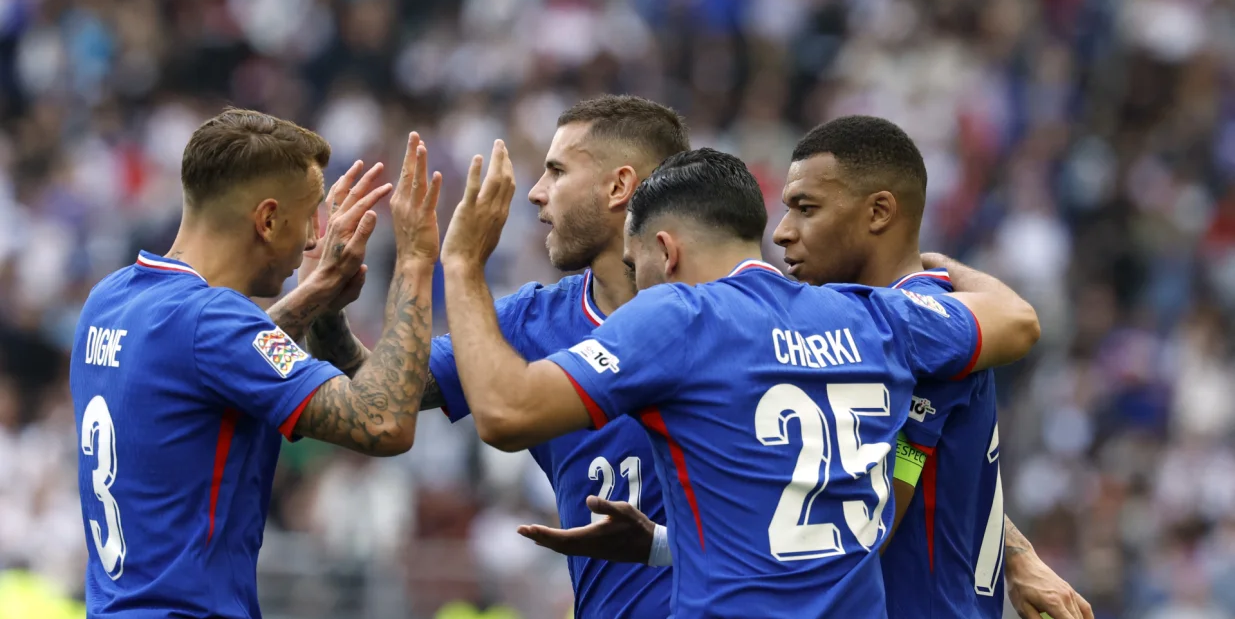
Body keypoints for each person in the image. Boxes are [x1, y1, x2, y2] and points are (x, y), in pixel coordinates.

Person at [516, 116, 1095, 619]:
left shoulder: (920, 334)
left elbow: (870, 514)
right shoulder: (892, 324)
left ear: (878, 212)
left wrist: (665, 547)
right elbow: (898, 469)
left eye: (806, 209)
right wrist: (1019, 555)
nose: (783, 232)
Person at [300, 94, 690, 619]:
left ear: (619, 186)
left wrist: (452, 260)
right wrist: (326, 308)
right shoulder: (530, 321)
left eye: (556, 171)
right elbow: (380, 392)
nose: (535, 193)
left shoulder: (728, 315)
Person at [69, 109, 441, 619]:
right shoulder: (213, 321)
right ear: (267, 220)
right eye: (311, 214)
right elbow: (385, 423)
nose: (314, 239)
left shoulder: (109, 300)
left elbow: (217, 358)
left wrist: (319, 300)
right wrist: (417, 258)